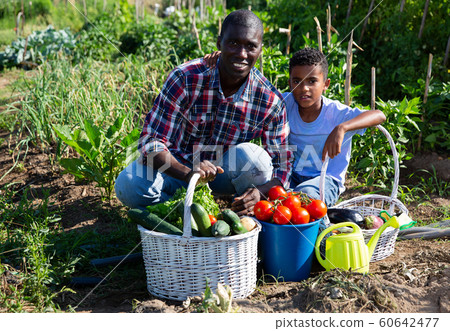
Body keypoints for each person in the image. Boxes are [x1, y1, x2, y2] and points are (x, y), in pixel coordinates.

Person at [114, 9, 292, 215]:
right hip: (178, 172)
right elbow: (151, 142)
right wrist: (190, 174)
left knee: (255, 159)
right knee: (129, 184)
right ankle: (184, 212)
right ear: (219, 43)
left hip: (224, 175)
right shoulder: (186, 79)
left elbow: (283, 165)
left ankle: (236, 212)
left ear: (260, 49)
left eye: (251, 46)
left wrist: (260, 193)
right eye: (233, 43)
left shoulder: (270, 100)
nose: (242, 54)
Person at [285, 47, 386, 206]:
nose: (304, 88)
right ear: (290, 83)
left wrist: (342, 128)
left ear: (326, 84)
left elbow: (379, 115)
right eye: (297, 81)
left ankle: (322, 227)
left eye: (312, 81)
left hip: (327, 180)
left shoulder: (336, 113)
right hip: (292, 176)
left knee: (305, 196)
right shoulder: (285, 104)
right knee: (270, 193)